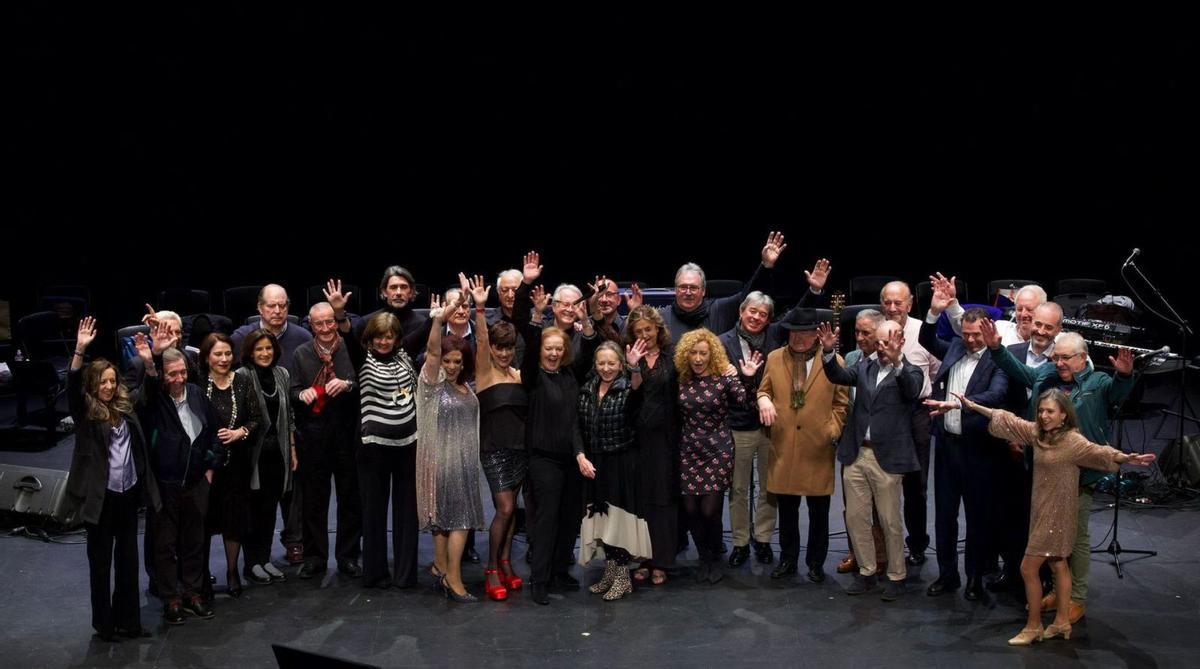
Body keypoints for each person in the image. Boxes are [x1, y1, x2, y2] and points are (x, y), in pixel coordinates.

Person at [955, 390, 1155, 646]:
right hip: (1042, 510)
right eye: (1041, 411)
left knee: (1028, 569)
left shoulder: (1073, 441)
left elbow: (1100, 452)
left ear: (1063, 416)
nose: (1044, 416)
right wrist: (975, 406)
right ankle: (1061, 622)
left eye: (1050, 411)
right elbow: (1008, 420)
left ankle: (1034, 626)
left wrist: (1125, 457)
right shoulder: (1039, 435)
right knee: (1058, 564)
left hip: (1058, 515)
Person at [512, 251, 600, 605]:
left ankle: (562, 571)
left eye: (557, 349)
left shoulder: (569, 374)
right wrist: (533, 306)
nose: (551, 353)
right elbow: (530, 341)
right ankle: (541, 579)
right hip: (543, 459)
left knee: (568, 519)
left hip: (571, 457)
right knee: (546, 519)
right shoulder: (533, 376)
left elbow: (590, 348)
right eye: (547, 349)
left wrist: (587, 319)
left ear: (564, 351)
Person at [67, 317, 160, 641]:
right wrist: (80, 350)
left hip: (127, 494)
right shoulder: (85, 413)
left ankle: (129, 622)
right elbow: (72, 387)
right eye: (101, 382)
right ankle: (104, 625)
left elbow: (149, 390)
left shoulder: (125, 406)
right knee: (101, 565)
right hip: (100, 497)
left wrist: (150, 362)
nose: (107, 387)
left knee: (127, 562)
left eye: (111, 381)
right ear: (93, 385)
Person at [818, 320, 923, 602]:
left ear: (899, 340)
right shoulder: (866, 366)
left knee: (889, 520)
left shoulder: (910, 371)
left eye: (886, 342)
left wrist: (898, 361)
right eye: (878, 343)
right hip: (856, 452)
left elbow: (912, 391)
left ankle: (897, 576)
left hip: (887, 457)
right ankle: (866, 571)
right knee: (856, 517)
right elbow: (838, 375)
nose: (881, 348)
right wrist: (828, 352)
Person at [754, 308, 849, 583]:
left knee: (819, 513)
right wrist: (763, 399)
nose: (798, 338)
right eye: (794, 332)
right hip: (783, 445)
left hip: (817, 446)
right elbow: (764, 389)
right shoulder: (774, 358)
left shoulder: (834, 361)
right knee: (787, 510)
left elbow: (841, 403)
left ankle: (816, 563)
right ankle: (788, 559)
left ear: (817, 335)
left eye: (805, 332)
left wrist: (832, 429)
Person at [674, 328, 760, 584]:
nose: (698, 358)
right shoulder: (681, 379)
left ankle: (716, 555)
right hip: (689, 449)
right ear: (686, 355)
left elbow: (746, 403)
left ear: (712, 355)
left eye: (703, 353)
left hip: (717, 449)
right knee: (690, 509)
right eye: (693, 353)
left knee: (710, 510)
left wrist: (748, 379)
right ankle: (704, 556)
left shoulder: (725, 378)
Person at [417, 291, 486, 603]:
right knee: (458, 521)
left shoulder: (466, 387)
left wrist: (480, 310)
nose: (453, 366)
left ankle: (443, 571)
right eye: (448, 360)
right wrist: (437, 320)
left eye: (457, 361)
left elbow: (482, 348)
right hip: (442, 462)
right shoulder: (432, 382)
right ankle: (455, 580)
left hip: (464, 461)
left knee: (446, 522)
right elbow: (432, 352)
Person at [575, 339, 653, 601]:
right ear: (595, 364)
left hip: (621, 464)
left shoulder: (627, 388)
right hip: (595, 464)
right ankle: (610, 572)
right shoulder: (587, 388)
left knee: (619, 523)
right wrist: (581, 456)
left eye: (611, 363)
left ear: (620, 364)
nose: (606, 368)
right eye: (601, 363)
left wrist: (635, 369)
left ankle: (622, 578)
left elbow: (638, 394)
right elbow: (577, 425)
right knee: (602, 521)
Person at [291, 301, 362, 581]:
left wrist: (347, 385)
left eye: (330, 322)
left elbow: (363, 382)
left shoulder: (349, 348)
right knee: (314, 500)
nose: (325, 328)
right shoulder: (301, 353)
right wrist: (302, 394)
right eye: (319, 323)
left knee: (349, 498)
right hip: (314, 434)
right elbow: (293, 390)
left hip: (346, 432)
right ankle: (314, 557)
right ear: (311, 325)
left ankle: (347, 556)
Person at [467, 275, 528, 601]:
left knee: (513, 510)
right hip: (494, 450)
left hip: (520, 450)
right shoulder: (485, 372)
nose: (503, 353)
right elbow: (479, 341)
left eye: (507, 348)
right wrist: (479, 308)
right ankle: (492, 567)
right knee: (504, 509)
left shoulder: (519, 374)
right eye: (498, 347)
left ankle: (505, 561)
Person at [196, 332, 262, 600]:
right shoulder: (198, 383)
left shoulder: (243, 380)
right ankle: (201, 576)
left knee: (233, 520)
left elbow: (257, 418)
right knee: (203, 521)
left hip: (236, 464)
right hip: (206, 464)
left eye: (227, 354)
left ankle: (233, 571)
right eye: (217, 354)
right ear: (206, 357)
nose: (224, 359)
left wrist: (240, 433)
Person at [237, 329, 297, 586]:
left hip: (278, 453)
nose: (264, 353)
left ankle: (265, 558)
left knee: (271, 508)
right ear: (250, 351)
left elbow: (290, 415)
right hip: (253, 457)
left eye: (268, 349)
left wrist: (292, 448)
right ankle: (252, 563)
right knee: (252, 510)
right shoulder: (242, 376)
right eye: (259, 349)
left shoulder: (281, 374)